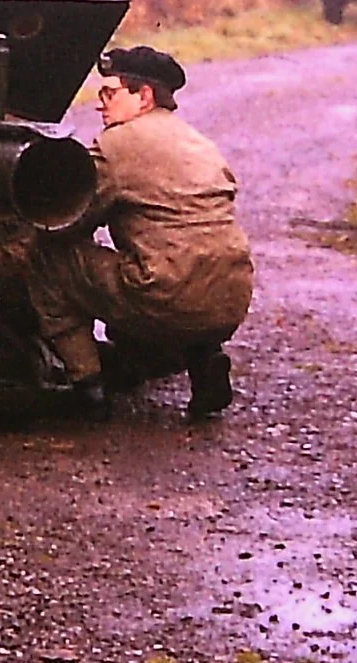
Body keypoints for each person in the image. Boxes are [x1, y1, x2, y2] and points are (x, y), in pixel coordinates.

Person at [27, 45, 254, 421]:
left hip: (166, 295)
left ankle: (88, 387)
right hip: (231, 296)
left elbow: (69, 221)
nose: (101, 105)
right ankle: (202, 357)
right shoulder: (199, 142)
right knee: (177, 258)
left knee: (48, 259)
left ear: (143, 95)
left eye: (110, 93)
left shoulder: (116, 144)